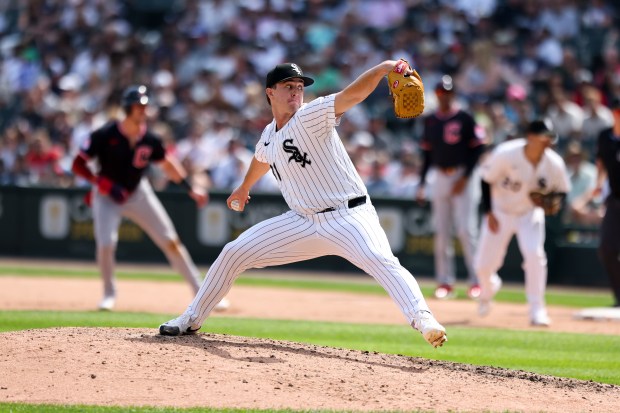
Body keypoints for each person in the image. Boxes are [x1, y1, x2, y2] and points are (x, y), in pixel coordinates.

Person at [159, 61, 448, 348]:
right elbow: (262, 157)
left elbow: (352, 95)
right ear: (270, 92)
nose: (296, 92)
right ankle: (191, 318)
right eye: (288, 87)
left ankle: (424, 319)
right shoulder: (269, 134)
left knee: (383, 262)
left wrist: (383, 68)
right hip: (303, 222)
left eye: (299, 87)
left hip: (349, 216)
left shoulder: (311, 115)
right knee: (233, 252)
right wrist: (245, 186)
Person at [71, 85, 229, 312]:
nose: (144, 110)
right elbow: (77, 164)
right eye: (139, 106)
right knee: (106, 244)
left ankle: (202, 292)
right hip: (106, 196)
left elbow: (167, 164)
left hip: (137, 192)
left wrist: (190, 188)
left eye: (145, 106)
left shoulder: (151, 139)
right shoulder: (105, 135)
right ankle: (109, 293)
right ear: (128, 108)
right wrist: (99, 182)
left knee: (170, 240)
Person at [474, 119, 571, 326]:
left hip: (529, 213)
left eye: (549, 138)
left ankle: (537, 310)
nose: (547, 142)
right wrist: (489, 212)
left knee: (535, 255)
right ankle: (488, 290)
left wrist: (553, 204)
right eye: (543, 137)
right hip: (500, 211)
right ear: (530, 137)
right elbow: (485, 179)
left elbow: (562, 191)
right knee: (483, 266)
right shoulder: (506, 153)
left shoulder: (553, 163)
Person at [415, 75, 486, 300]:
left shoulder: (465, 118)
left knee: (466, 230)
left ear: (453, 94)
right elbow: (426, 155)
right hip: (440, 175)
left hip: (463, 174)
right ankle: (445, 282)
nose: (444, 97)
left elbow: (478, 149)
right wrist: (422, 183)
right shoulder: (430, 121)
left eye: (447, 93)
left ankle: (477, 281)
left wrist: (465, 177)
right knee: (442, 232)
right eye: (440, 93)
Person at [594, 97, 620, 308]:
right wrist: (598, 184)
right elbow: (601, 163)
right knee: (606, 248)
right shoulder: (605, 136)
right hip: (614, 200)